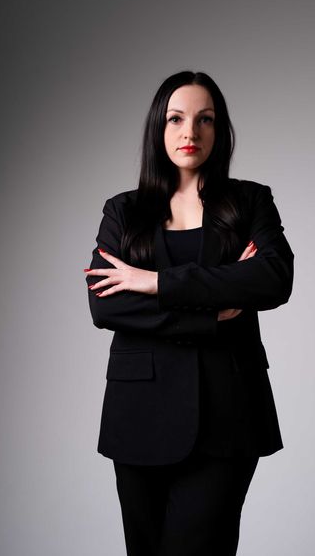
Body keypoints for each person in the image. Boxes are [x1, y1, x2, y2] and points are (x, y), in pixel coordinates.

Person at [84, 70, 294, 556]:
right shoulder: (123, 211)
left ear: (220, 130)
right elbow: (104, 303)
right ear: (158, 127)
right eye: (176, 119)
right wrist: (211, 308)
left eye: (206, 119)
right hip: (138, 415)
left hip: (228, 413)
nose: (190, 132)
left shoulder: (249, 201)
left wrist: (155, 282)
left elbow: (273, 278)